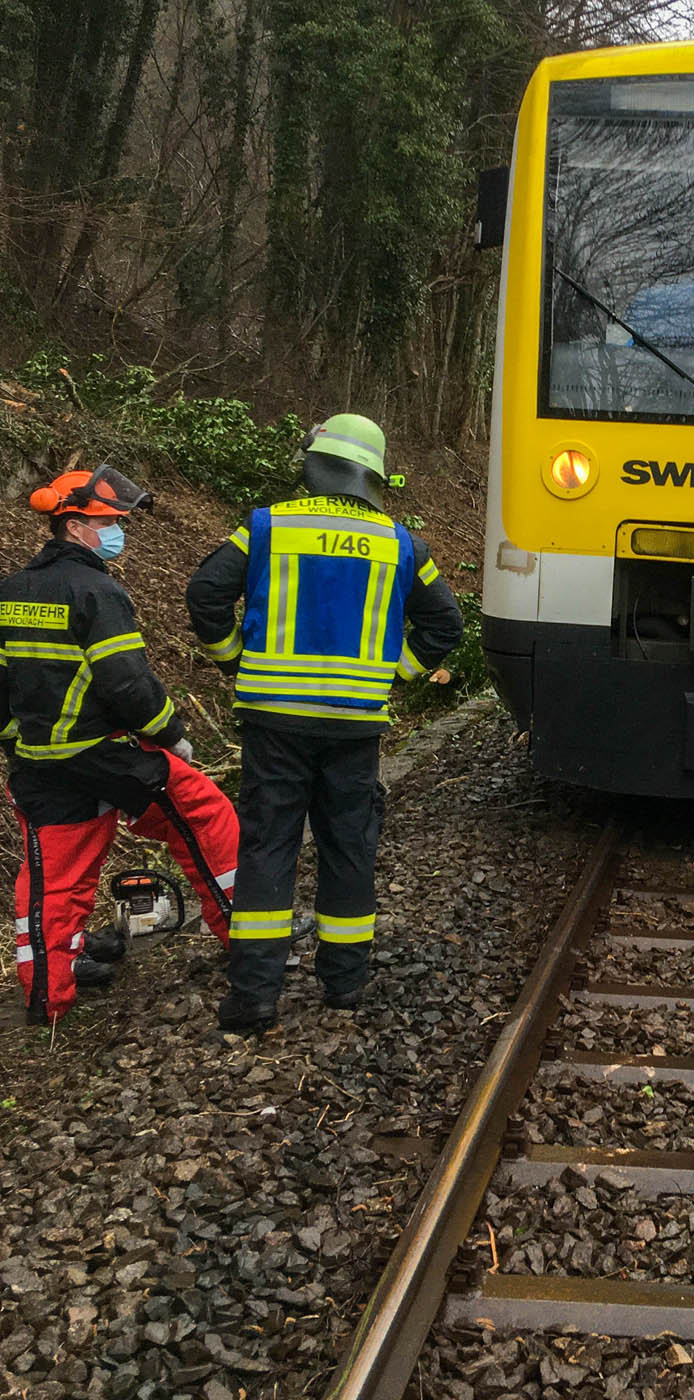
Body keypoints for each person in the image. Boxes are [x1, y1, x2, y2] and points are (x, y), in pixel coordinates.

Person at [187, 416, 462, 1036]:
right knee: (348, 847)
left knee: (268, 847)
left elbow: (205, 594)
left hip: (274, 720)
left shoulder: (267, 526)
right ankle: (344, 984)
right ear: (373, 474)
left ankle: (254, 997)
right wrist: (394, 675)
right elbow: (446, 624)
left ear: (316, 465)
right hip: (354, 725)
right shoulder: (401, 543)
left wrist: (233, 659)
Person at [0, 467, 238, 1024]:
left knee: (53, 880)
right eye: (109, 521)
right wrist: (171, 735)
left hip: (37, 760)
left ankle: (47, 997)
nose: (117, 531)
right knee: (205, 816)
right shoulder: (96, 591)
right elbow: (127, 683)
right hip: (104, 754)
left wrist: (16, 742)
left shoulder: (11, 591)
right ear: (75, 525)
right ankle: (249, 936)